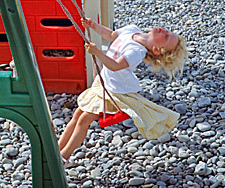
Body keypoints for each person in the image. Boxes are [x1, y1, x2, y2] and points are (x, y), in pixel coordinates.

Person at [58, 18, 188, 164]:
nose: (164, 30)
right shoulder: (133, 29)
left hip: (117, 93)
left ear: (156, 50)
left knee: (84, 119)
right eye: (168, 31)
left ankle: (63, 157)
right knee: (77, 114)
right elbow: (112, 35)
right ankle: (57, 149)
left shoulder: (136, 52)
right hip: (105, 84)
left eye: (165, 37)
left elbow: (114, 65)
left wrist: (97, 52)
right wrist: (94, 26)